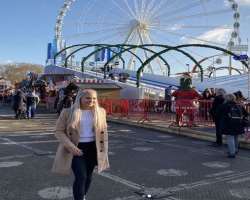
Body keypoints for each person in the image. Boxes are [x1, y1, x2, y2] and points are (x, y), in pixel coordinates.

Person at [52, 89, 109, 200]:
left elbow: (103, 131)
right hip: (75, 148)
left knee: (88, 176)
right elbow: (58, 131)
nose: (91, 100)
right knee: (81, 176)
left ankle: (82, 196)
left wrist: (103, 150)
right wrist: (71, 146)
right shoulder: (68, 112)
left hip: (93, 148)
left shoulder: (101, 111)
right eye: (88, 98)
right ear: (80, 98)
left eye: (94, 98)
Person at [219, 94, 248, 158]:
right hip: (238, 123)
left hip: (229, 124)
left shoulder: (225, 105)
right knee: (236, 137)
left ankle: (232, 153)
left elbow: (219, 113)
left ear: (227, 99)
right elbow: (246, 114)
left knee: (230, 137)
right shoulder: (239, 105)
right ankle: (235, 150)